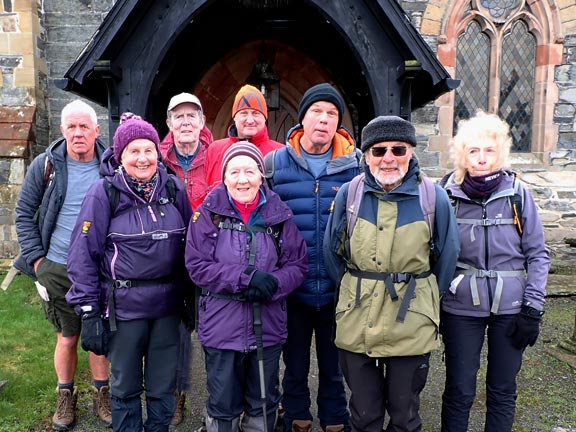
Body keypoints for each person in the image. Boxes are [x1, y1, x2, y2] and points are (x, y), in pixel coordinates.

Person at [323, 115, 460, 432]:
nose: (388, 158)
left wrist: (423, 297)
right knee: (363, 414)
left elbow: (447, 257)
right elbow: (333, 252)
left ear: (411, 150)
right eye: (378, 150)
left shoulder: (433, 198)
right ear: (366, 154)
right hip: (358, 318)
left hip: (411, 320)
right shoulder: (350, 195)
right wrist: (354, 289)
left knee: (404, 416)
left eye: (398, 149)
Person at [65, 116, 193, 431]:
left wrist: (192, 296)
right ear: (120, 156)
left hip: (167, 307)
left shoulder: (174, 188)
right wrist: (88, 311)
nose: (142, 158)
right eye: (133, 151)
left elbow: (192, 245)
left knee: (163, 387)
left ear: (158, 153)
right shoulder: (104, 193)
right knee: (124, 388)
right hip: (123, 310)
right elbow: (83, 254)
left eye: (148, 150)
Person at [185, 142, 308, 432]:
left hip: (267, 327)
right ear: (224, 177)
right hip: (221, 327)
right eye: (235, 172)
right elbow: (197, 266)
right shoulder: (207, 215)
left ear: (261, 176)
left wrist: (273, 283)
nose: (243, 179)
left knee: (262, 401)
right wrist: (246, 278)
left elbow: (298, 264)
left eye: (250, 171)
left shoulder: (279, 216)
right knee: (222, 402)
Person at [439, 111, 550, 432]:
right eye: (474, 151)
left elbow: (538, 254)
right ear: (463, 154)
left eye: (489, 150)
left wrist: (533, 308)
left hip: (512, 309)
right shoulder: (446, 195)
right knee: (459, 390)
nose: (482, 158)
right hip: (460, 308)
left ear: (499, 152)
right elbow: (433, 251)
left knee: (502, 390)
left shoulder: (518, 194)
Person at [264, 83, 358, 432]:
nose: (324, 119)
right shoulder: (275, 165)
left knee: (336, 363)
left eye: (332, 113)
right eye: (317, 111)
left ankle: (335, 419)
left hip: (339, 287)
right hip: (294, 288)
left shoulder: (355, 164)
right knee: (295, 362)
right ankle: (297, 418)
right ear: (302, 118)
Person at [14, 99, 112, 430]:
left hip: (98, 267)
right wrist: (37, 261)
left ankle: (102, 395)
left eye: (84, 126)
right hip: (56, 267)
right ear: (62, 130)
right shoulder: (45, 165)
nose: (78, 132)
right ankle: (65, 397)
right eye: (71, 126)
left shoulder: (109, 167)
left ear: (97, 130)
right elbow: (24, 214)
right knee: (68, 337)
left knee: (97, 333)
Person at [161, 92, 212, 426]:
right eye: (178, 116)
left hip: (208, 260)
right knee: (176, 334)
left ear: (202, 122)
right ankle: (177, 396)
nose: (185, 122)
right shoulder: (156, 158)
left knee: (212, 331)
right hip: (169, 261)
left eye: (191, 115)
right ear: (169, 123)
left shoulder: (217, 156)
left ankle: (219, 397)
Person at [204, 84, 283, 190]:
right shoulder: (214, 150)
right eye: (244, 113)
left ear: (265, 118)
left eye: (256, 113)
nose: (250, 120)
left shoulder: (280, 154)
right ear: (234, 117)